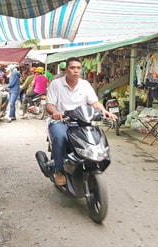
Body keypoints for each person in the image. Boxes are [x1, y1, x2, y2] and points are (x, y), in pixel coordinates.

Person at [46, 57, 117, 185]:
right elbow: (49, 105)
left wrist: (104, 111)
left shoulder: (85, 85)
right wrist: (55, 113)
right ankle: (59, 171)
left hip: (82, 121)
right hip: (62, 121)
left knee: (96, 136)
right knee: (60, 137)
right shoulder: (56, 84)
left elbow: (94, 102)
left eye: (78, 68)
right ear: (66, 69)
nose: (75, 71)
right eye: (72, 68)